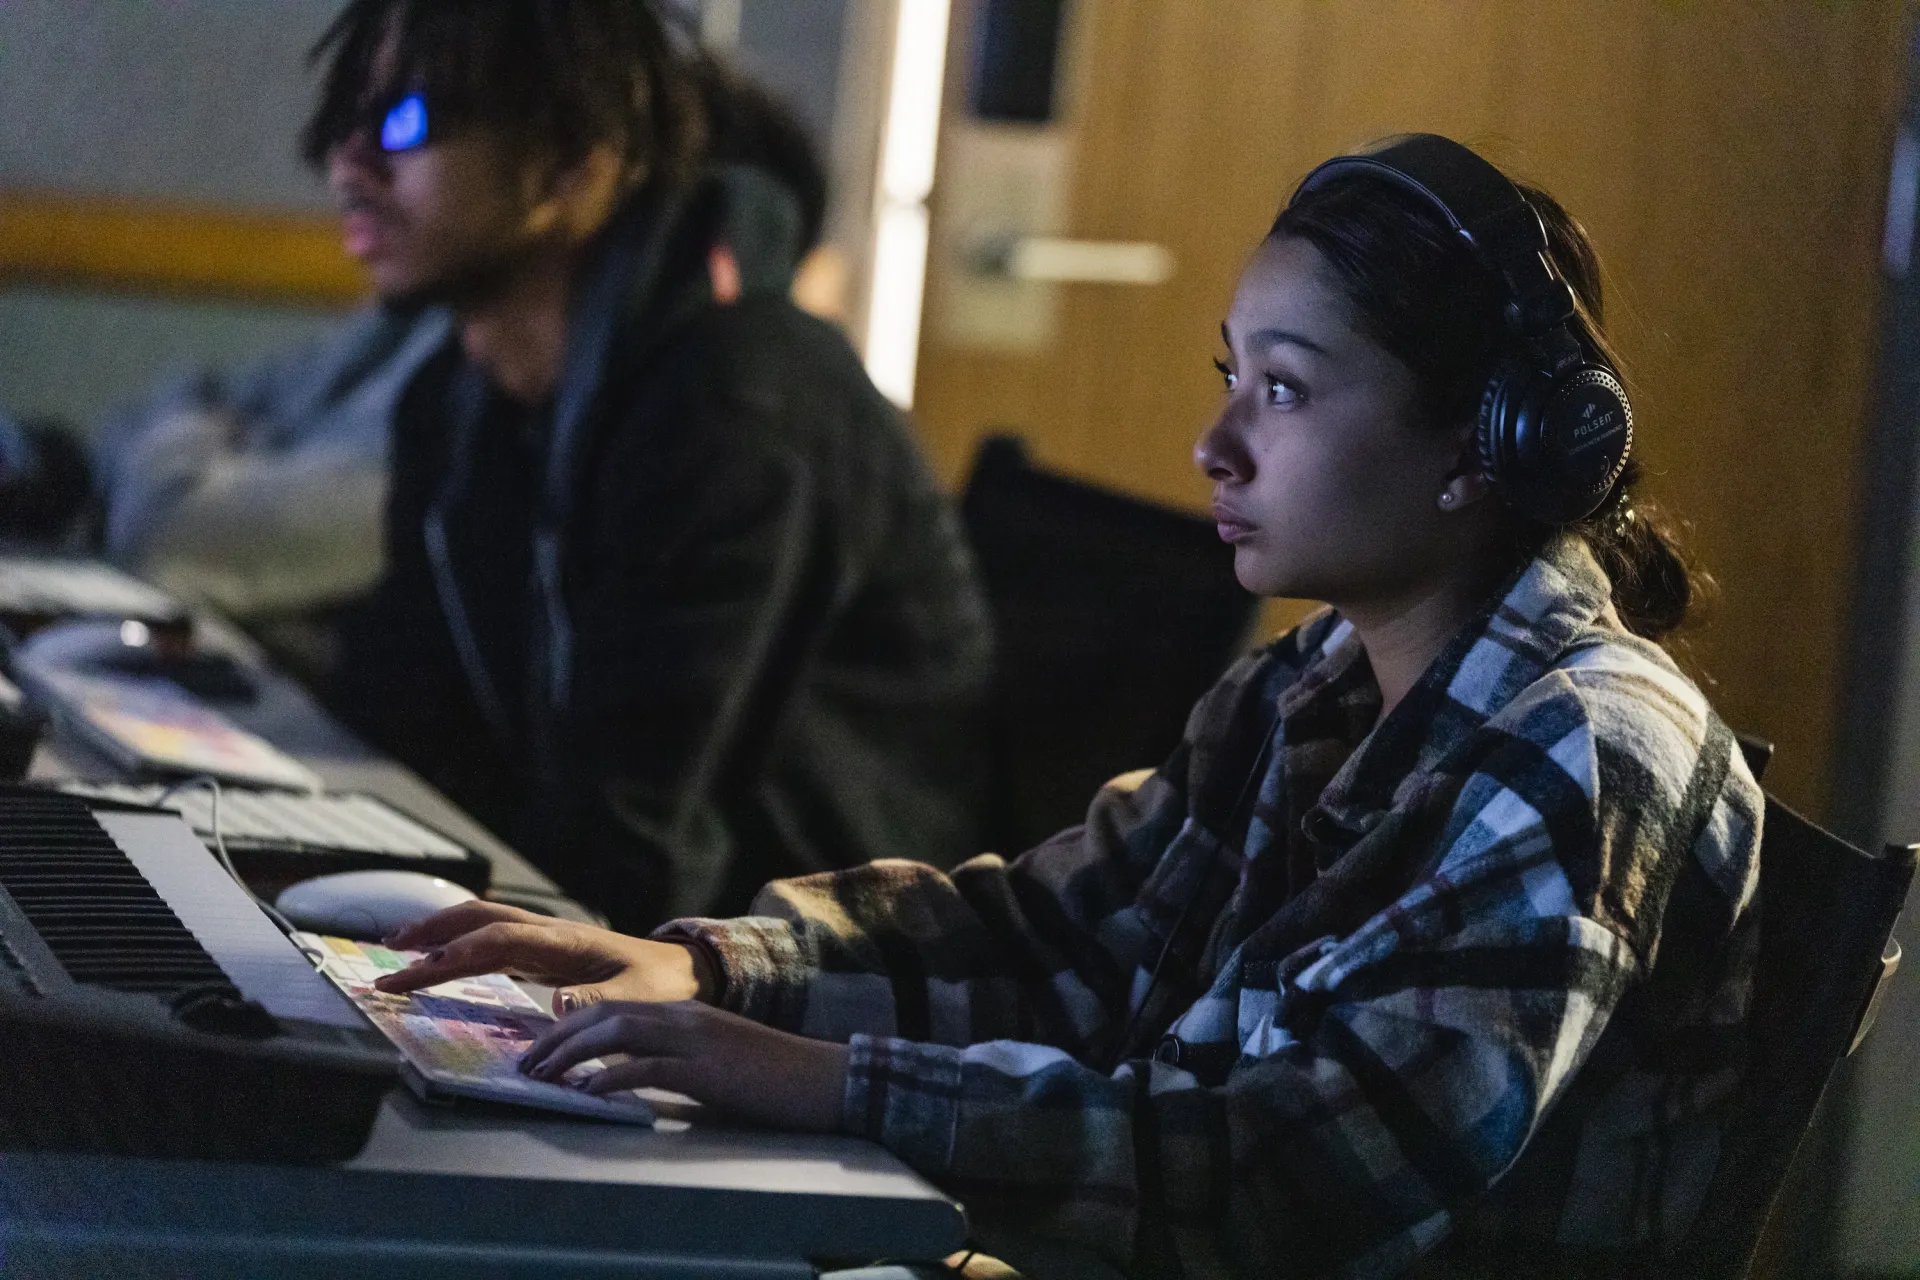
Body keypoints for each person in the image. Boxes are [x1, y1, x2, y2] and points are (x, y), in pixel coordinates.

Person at [375, 133, 1761, 1278]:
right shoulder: (1311, 683)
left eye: (1284, 390)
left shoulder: (1578, 751)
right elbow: (1057, 943)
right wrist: (712, 973)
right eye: (1234, 379)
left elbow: (1281, 1183)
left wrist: (816, 1079)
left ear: (1484, 443)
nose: (1215, 446)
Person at [293, 0, 993, 931]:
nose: (350, 164)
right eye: (346, 117)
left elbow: (640, 840)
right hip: (597, 925)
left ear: (577, 161)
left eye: (406, 120)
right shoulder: (462, 398)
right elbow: (402, 713)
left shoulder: (732, 406)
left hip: (797, 984)